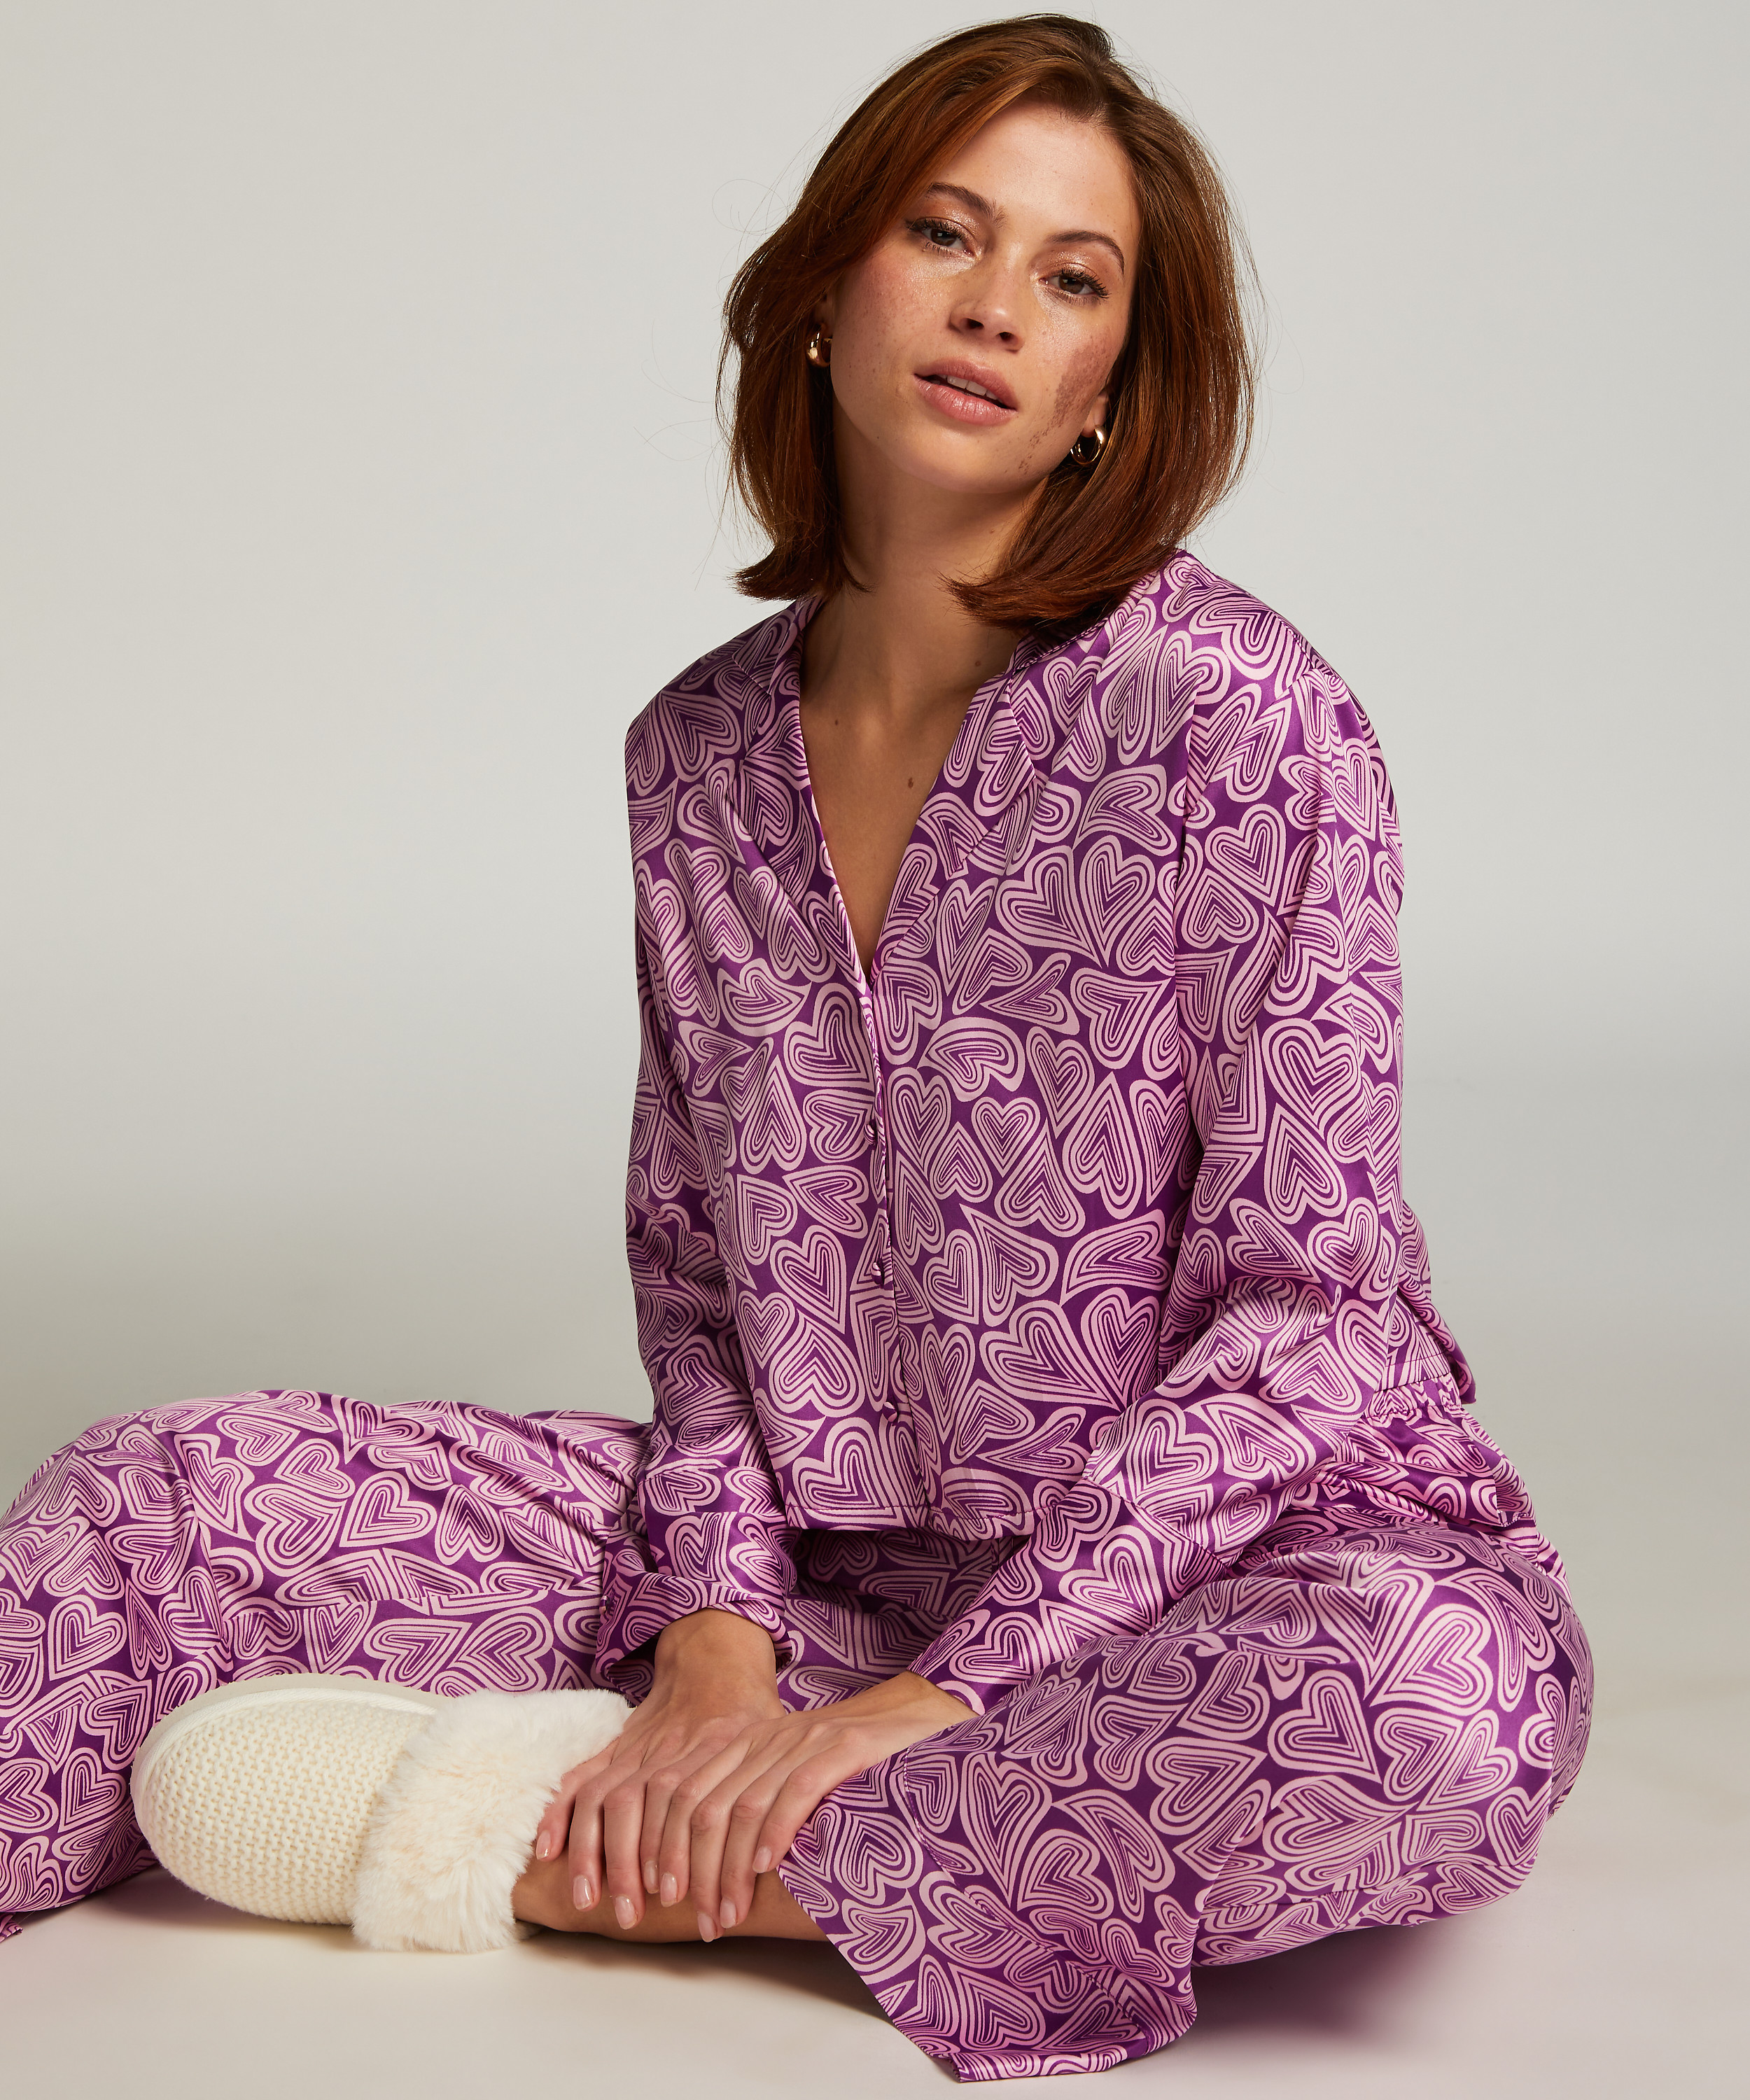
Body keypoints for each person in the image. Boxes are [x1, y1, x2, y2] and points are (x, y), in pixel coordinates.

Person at [0, 15, 1590, 2082]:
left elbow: (1316, 1316)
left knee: (1441, 1712)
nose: (995, 306)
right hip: (818, 1576)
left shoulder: (1238, 720)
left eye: (1074, 277)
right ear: (827, 287)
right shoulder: (693, 755)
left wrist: (944, 1698)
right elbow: (701, 1290)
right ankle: (728, 1791)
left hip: (1211, 1585)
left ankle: (542, 1843)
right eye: (943, 232)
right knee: (167, 1499)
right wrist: (714, 1658)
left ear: (1116, 381)